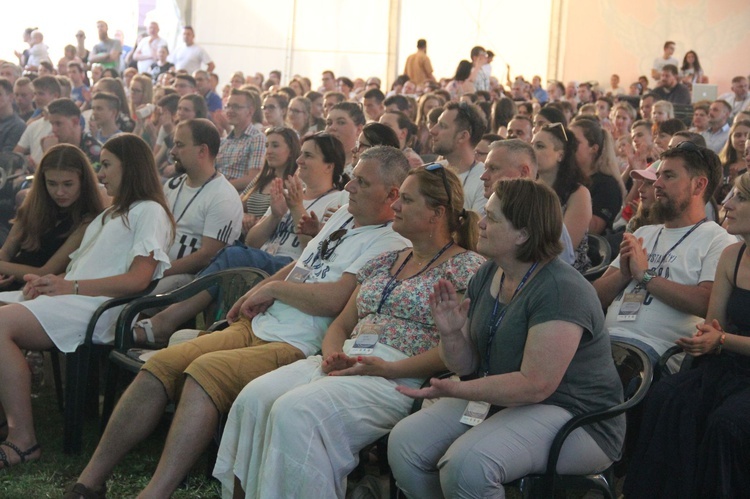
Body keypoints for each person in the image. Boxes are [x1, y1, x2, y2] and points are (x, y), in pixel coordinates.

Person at [67, 146, 412, 499]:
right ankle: (88, 483)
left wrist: (274, 289)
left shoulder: (391, 242)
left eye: (361, 181)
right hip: (261, 323)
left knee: (204, 373)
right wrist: (257, 292)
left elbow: (335, 299)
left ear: (392, 194)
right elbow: (301, 264)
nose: (350, 186)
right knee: (160, 367)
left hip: (295, 344)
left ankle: (154, 494)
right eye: (352, 177)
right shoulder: (344, 216)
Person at [213, 164, 483, 497]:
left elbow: (454, 350)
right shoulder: (388, 259)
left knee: (296, 413)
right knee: (253, 398)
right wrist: (331, 356)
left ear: (436, 214)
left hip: (397, 376)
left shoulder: (466, 267)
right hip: (347, 360)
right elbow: (342, 323)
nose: (396, 205)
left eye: (408, 200)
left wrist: (388, 368)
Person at [387, 177, 625, 497]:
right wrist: (451, 334)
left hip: (578, 417)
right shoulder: (489, 272)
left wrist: (461, 388)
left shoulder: (560, 289)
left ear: (523, 234)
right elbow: (469, 362)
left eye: (493, 218)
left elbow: (535, 384)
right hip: (506, 401)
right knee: (404, 443)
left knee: (468, 465)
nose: (480, 224)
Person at [0, 134, 175, 469]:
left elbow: (139, 280)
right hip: (75, 299)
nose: (100, 171)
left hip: (98, 310)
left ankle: (23, 441)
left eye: (107, 164)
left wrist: (71, 287)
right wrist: (49, 283)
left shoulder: (150, 211)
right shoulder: (111, 214)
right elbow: (83, 270)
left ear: (131, 167)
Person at [133, 132, 344, 346]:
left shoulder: (339, 201)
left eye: (308, 156)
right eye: (300, 155)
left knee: (233, 254)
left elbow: (315, 251)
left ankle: (167, 321)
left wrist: (297, 208)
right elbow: (252, 242)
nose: (299, 161)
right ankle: (197, 331)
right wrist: (275, 215)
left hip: (292, 270)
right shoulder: (289, 194)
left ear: (329, 165)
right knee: (233, 252)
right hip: (262, 259)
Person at [624, 171, 750, 498]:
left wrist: (721, 340)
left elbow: (720, 336)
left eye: (740, 197)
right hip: (727, 366)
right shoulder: (732, 256)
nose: (726, 203)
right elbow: (713, 323)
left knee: (727, 424)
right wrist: (705, 339)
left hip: (739, 365)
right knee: (668, 397)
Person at [593, 142, 736, 368]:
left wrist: (646, 276)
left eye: (668, 176)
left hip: (652, 357)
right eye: (658, 176)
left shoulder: (718, 240)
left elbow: (708, 303)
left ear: (698, 185)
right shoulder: (643, 233)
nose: (657, 184)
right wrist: (624, 274)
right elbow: (594, 298)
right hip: (604, 344)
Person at [0, 145, 103, 291]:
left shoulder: (88, 219)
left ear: (83, 182)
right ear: (43, 182)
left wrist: (3, 268)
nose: (59, 192)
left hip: (35, 289)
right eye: (52, 184)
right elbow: (7, 251)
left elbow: (45, 272)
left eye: (68, 184)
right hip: (10, 280)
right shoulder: (33, 206)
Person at [533, 123, 592, 272]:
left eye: (539, 146)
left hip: (566, 272)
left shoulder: (578, 194)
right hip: (529, 263)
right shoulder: (529, 187)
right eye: (531, 145)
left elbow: (564, 249)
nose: (532, 152)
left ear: (560, 155)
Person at [569, 116, 627, 234]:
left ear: (593, 148)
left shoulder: (607, 185)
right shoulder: (568, 177)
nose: (569, 146)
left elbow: (594, 228)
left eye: (575, 142)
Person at [430, 102, 487, 213]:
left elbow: (475, 229)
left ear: (462, 136)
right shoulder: (430, 171)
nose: (432, 130)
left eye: (442, 126)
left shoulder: (484, 180)